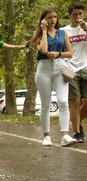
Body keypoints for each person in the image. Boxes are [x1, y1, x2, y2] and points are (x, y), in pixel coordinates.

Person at [29, 8, 76, 147]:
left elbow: (70, 53)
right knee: (46, 105)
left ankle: (65, 135)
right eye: (50, 17)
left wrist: (58, 54)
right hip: (43, 69)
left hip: (60, 67)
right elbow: (43, 49)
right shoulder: (37, 35)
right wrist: (43, 31)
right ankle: (47, 136)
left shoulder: (63, 33)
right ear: (43, 20)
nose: (53, 20)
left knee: (62, 101)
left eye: (55, 17)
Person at [60, 2, 87, 143]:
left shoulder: (86, 27)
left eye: (80, 14)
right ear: (70, 15)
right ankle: (77, 132)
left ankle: (77, 122)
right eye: (75, 14)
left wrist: (85, 29)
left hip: (86, 67)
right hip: (70, 68)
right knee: (75, 101)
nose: (78, 17)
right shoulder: (64, 31)